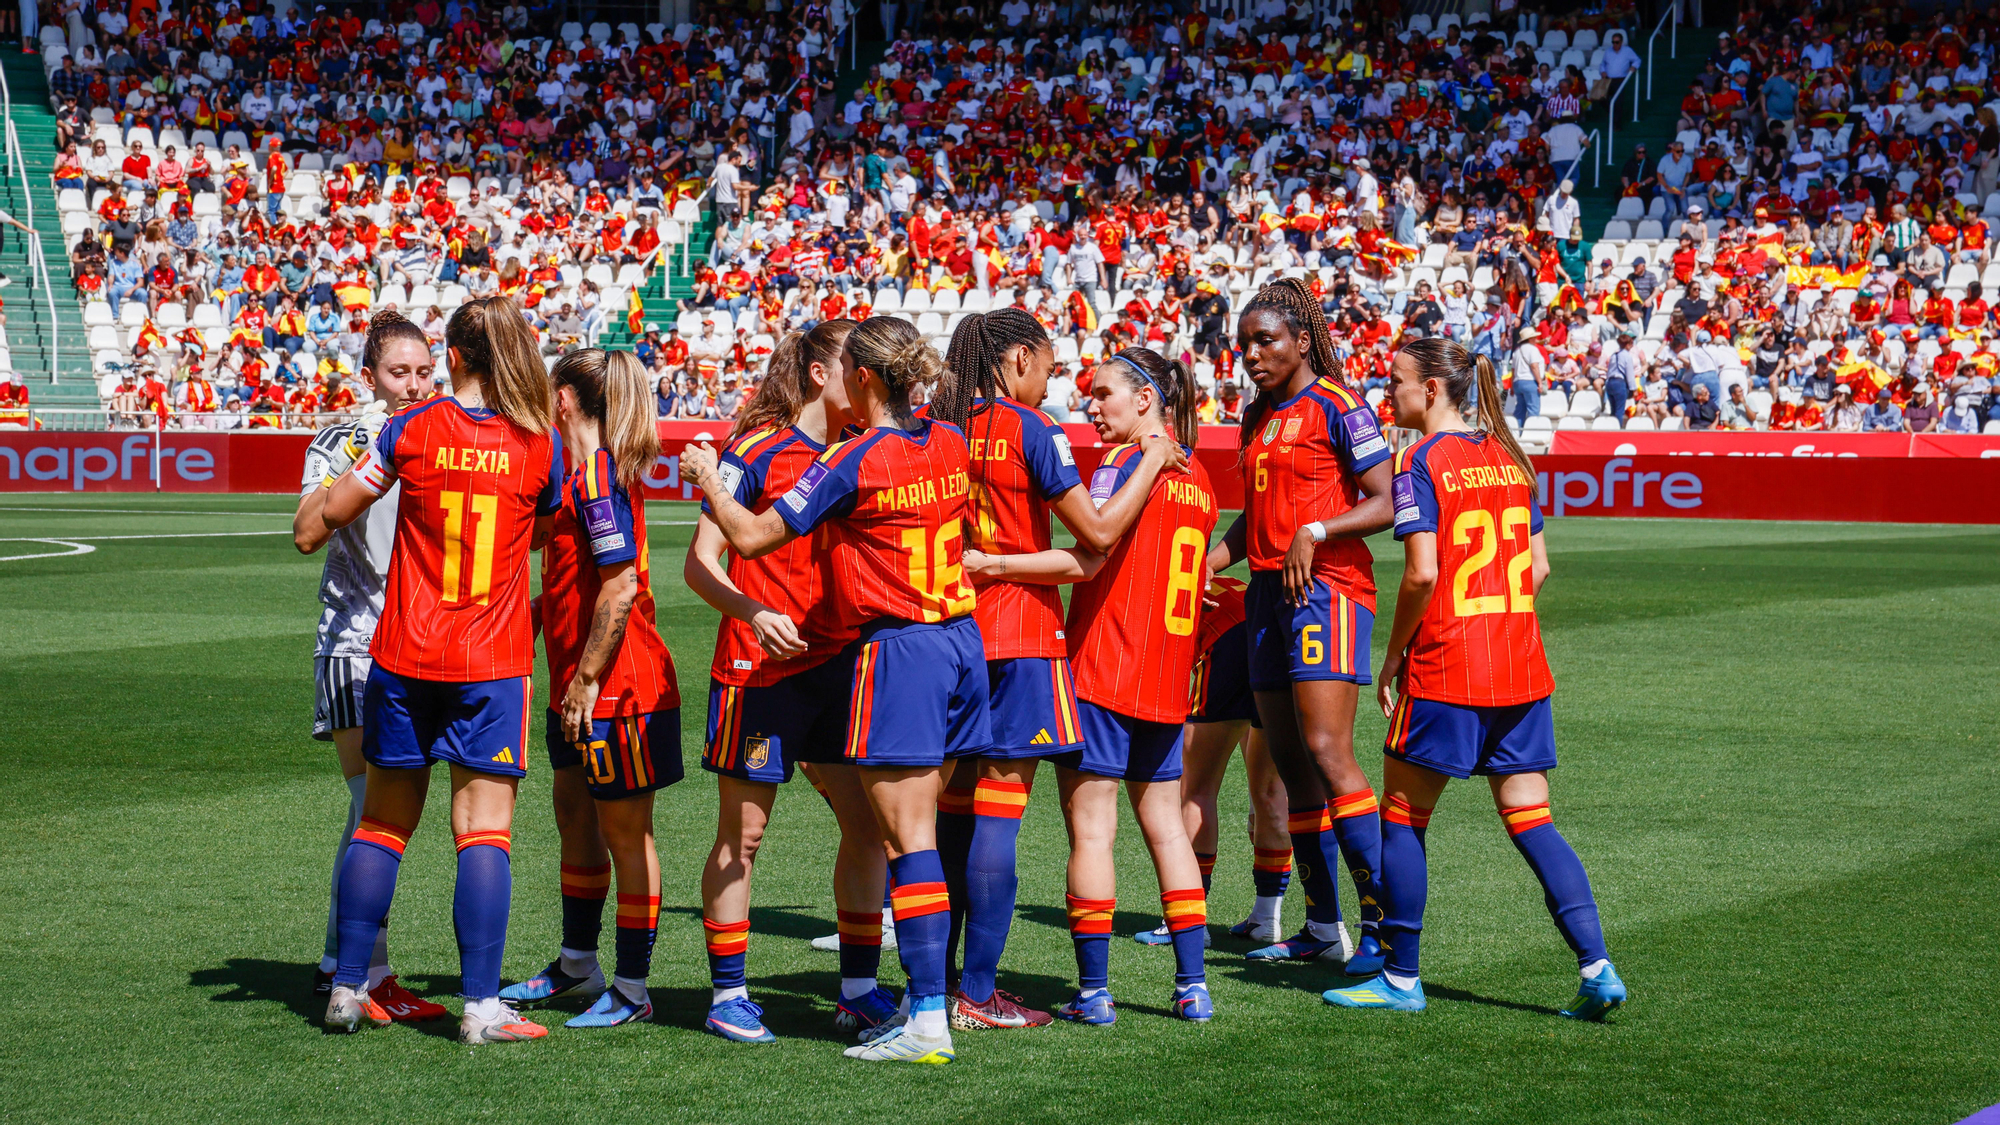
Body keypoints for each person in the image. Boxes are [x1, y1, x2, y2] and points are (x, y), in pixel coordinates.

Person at [681, 316, 984, 1065]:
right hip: (761, 670)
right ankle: (727, 994)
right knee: (743, 835)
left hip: (851, 660)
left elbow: (762, 534)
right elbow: (703, 562)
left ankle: (857, 986)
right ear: (825, 373)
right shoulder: (760, 450)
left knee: (871, 828)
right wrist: (753, 612)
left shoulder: (858, 455)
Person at [1325, 335, 1625, 1021]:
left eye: (1396, 380)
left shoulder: (1419, 460)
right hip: (1521, 668)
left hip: (1449, 668)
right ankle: (1596, 962)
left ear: (1432, 389)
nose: (1387, 392)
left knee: (1401, 818)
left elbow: (1424, 572)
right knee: (1533, 820)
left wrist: (1395, 654)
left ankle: (1400, 978)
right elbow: (1539, 568)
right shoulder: (1511, 460)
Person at [926, 308, 1185, 1032]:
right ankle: (978, 993)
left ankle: (935, 984)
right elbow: (1098, 534)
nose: (1055, 380)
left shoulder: (940, 428)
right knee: (1000, 815)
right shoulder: (1029, 430)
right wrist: (1157, 460)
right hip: (1021, 633)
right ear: (1015, 361)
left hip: (951, 629)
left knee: (950, 810)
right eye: (1046, 362)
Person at [316, 296, 565, 1044]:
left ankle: (348, 985)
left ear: (451, 356)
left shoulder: (407, 430)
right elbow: (546, 530)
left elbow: (335, 508)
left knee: (384, 822)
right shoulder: (538, 445)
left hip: (403, 653)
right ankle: (482, 1007)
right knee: (483, 833)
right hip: (490, 660)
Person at [1205, 277, 1394, 978]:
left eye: (1266, 341)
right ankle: (1322, 924)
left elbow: (1384, 500)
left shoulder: (1340, 405)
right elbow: (1255, 517)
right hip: (1263, 598)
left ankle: (1384, 929)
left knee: (1326, 750)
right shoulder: (1258, 417)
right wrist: (1208, 560)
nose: (1252, 355)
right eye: (1243, 344)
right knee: (1290, 765)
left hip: (1328, 592)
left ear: (1302, 340)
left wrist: (1317, 527)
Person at [500, 349, 682, 1029]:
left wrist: (585, 678)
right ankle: (579, 961)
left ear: (566, 400)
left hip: (617, 690)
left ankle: (633, 987)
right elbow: (584, 575)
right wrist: (545, 614)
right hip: (574, 688)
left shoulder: (600, 474)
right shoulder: (583, 473)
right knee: (575, 820)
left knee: (626, 836)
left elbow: (622, 584)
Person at [290, 311, 446, 1025]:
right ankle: (367, 972)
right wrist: (370, 464)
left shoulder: (446, 434)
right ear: (369, 377)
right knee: (371, 811)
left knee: (379, 814)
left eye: (423, 371)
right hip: (356, 643)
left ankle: (338, 961)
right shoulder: (342, 439)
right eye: (398, 372)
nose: (413, 384)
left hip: (420, 645)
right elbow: (305, 531)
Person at [1131, 575, 1294, 946]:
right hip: (1271, 638)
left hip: (1227, 645)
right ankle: (1267, 917)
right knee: (1269, 789)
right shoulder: (1220, 579)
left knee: (1196, 789)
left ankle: (1191, 919)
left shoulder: (1150, 590)